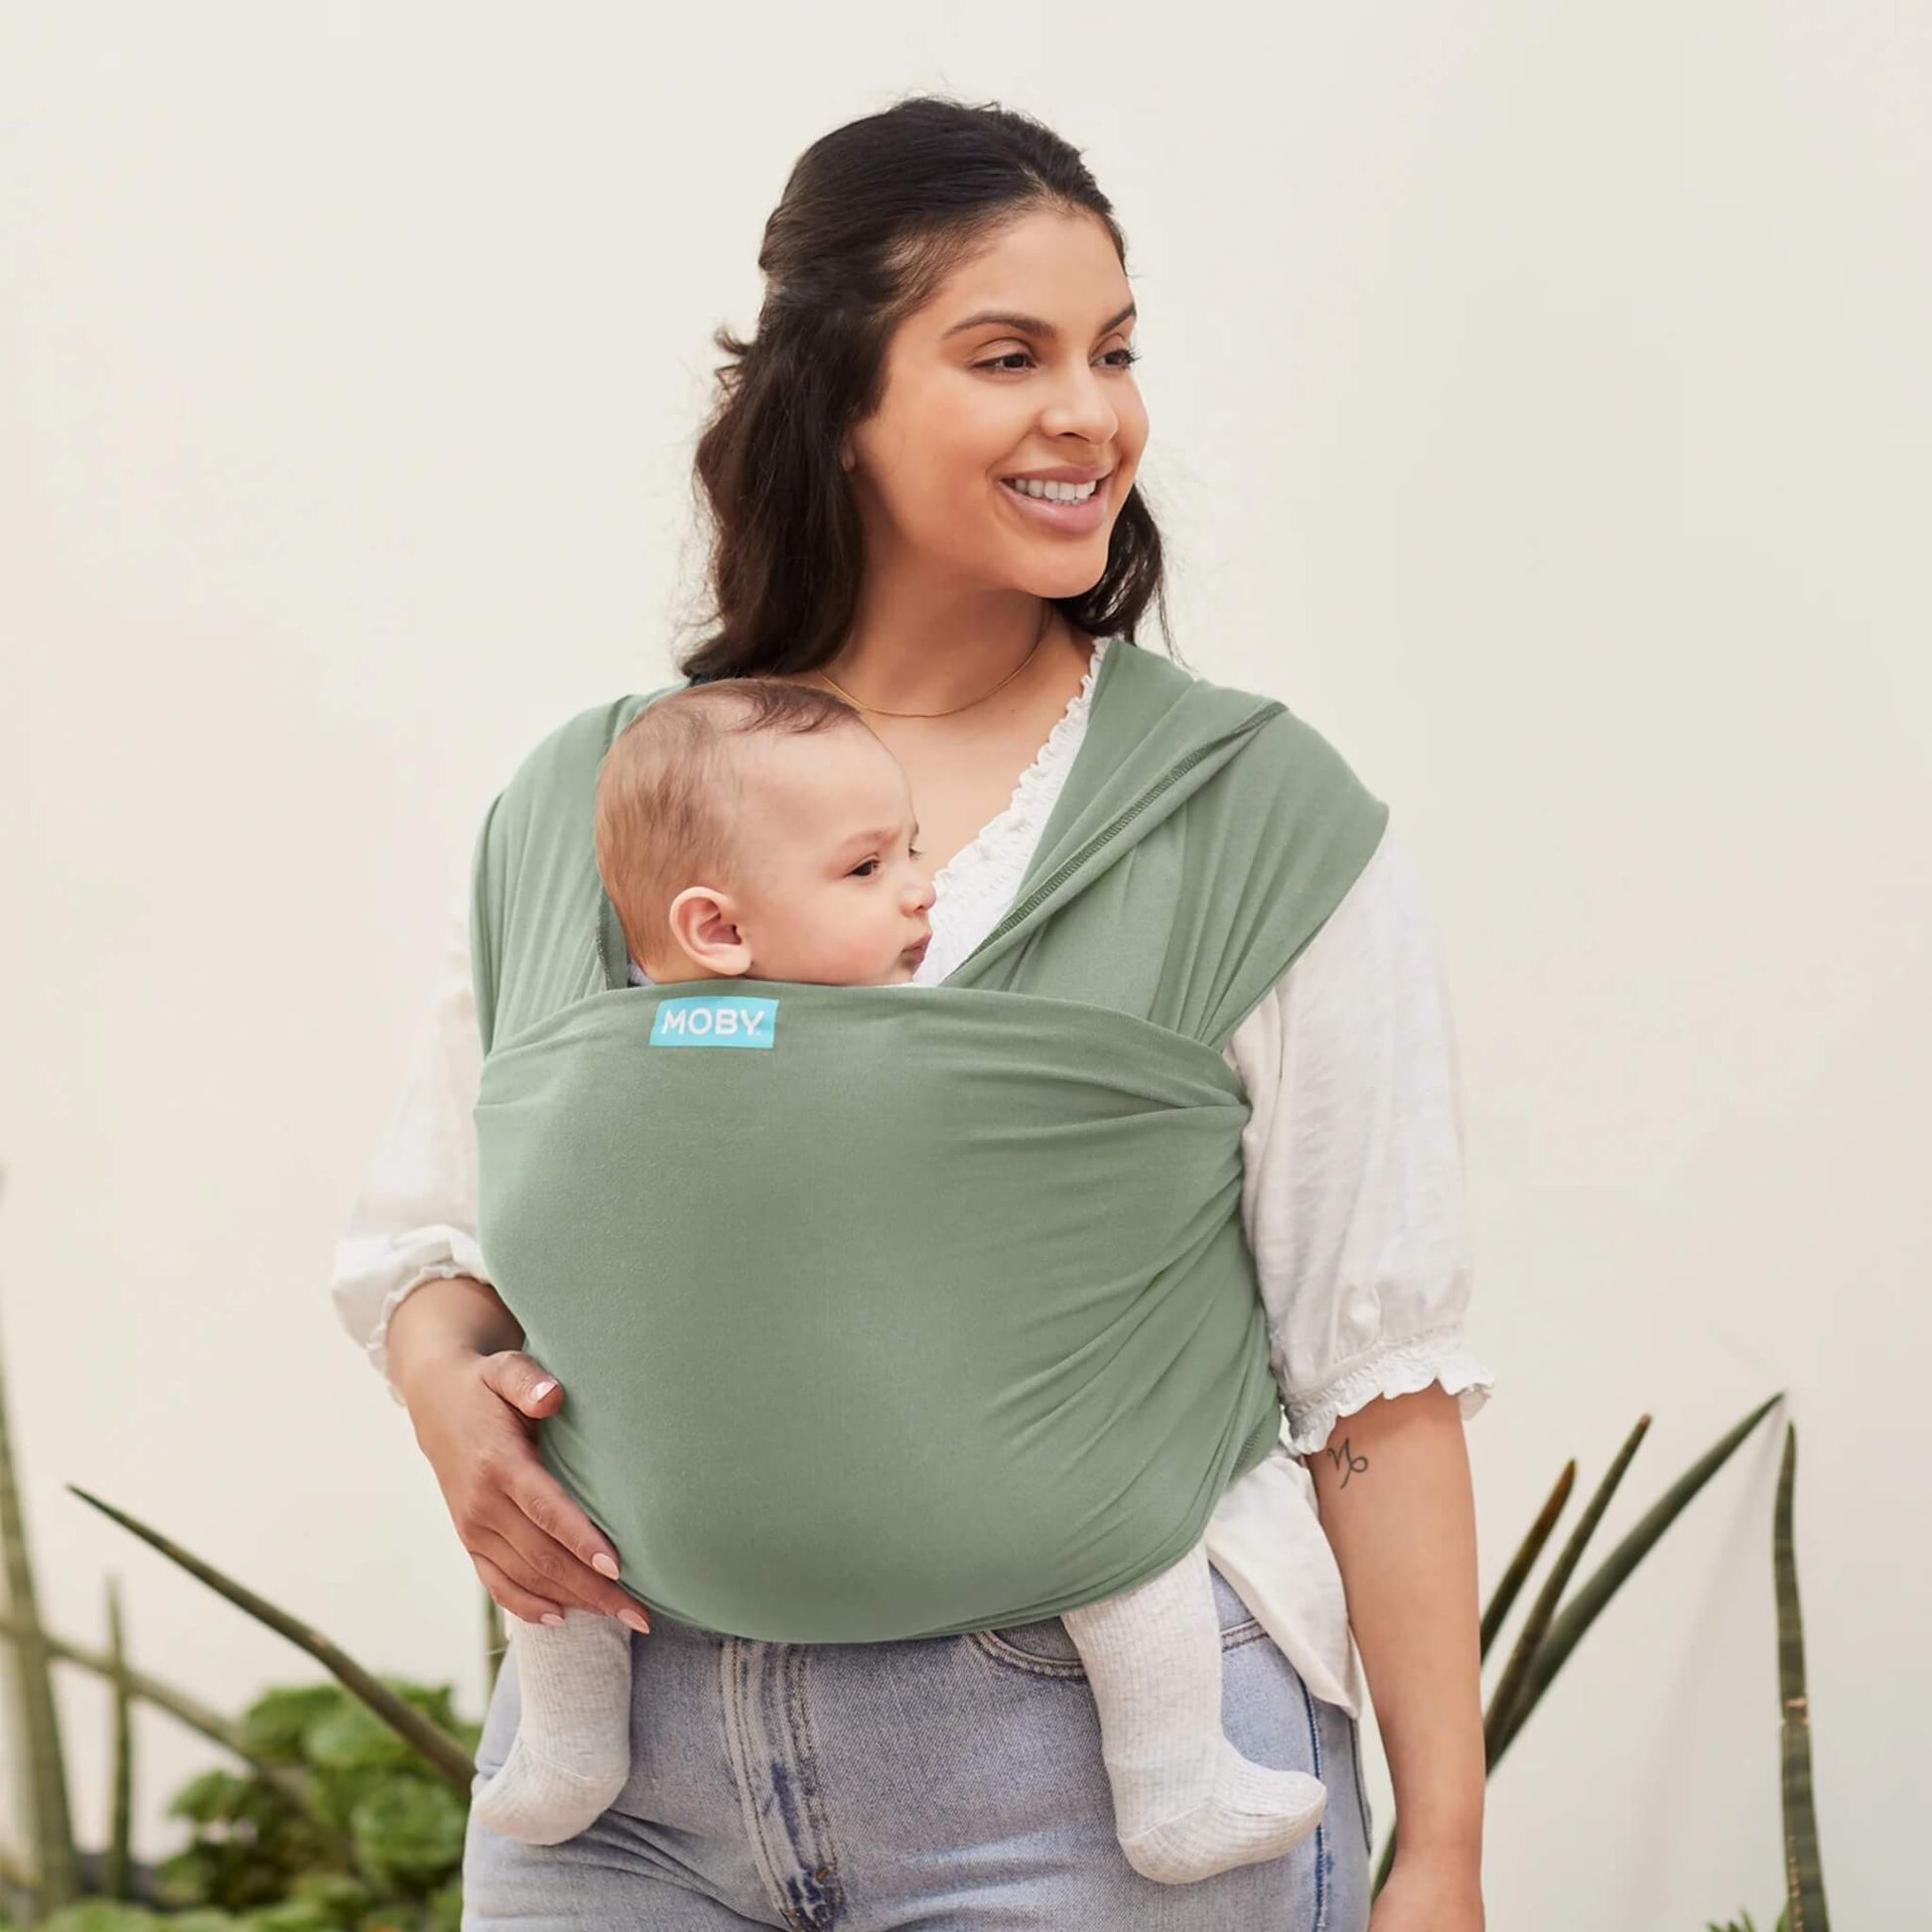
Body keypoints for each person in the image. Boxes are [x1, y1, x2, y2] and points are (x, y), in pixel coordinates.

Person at [334, 95, 1494, 1931]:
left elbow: (1379, 1379)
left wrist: (1443, 1851)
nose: (1090, 412)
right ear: (838, 401)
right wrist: (444, 1396)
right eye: (1007, 354)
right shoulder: (596, 803)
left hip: (1099, 1781)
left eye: (1113, 352)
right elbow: (426, 1243)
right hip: (619, 1780)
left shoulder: (1246, 818)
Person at [467, 677, 1328, 1883]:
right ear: (719, 929)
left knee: (1116, 1512)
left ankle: (1171, 1775)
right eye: (867, 868)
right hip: (657, 1538)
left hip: (974, 1516)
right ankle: (568, 1741)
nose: (920, 887)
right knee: (567, 1543)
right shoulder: (604, 1047)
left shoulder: (642, 1034)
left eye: (912, 849)